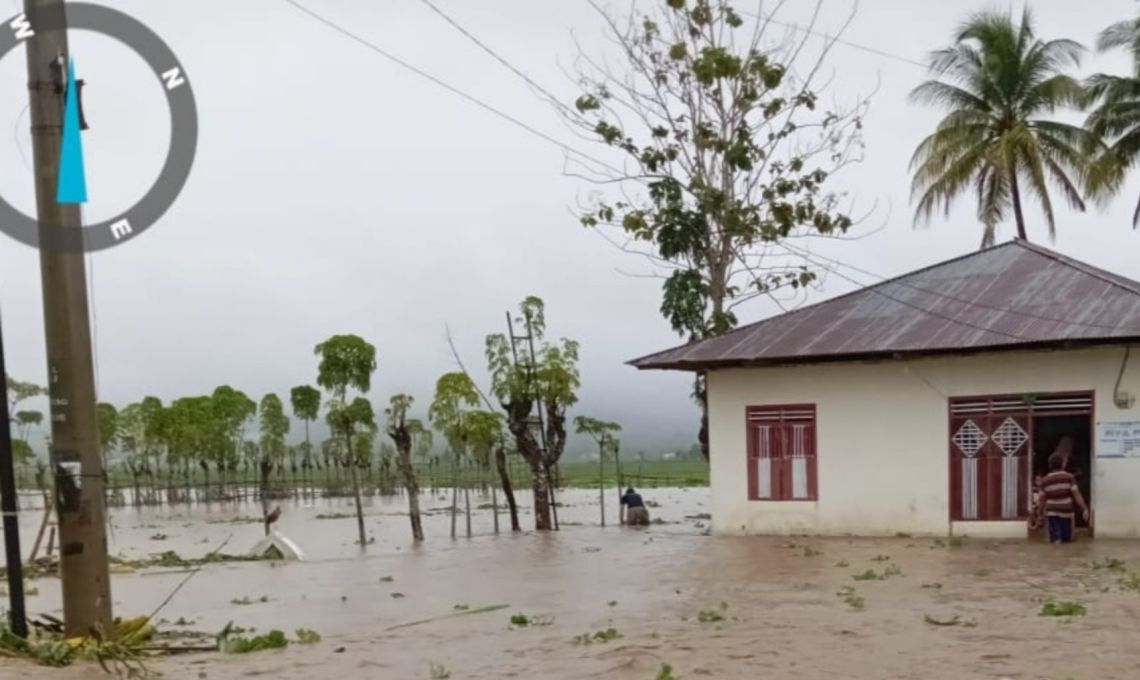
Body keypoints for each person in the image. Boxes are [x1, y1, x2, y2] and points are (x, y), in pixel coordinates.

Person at [1041, 453, 1090, 544]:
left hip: (1052, 511)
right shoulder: (1069, 477)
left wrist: (1040, 513)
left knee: (1055, 539)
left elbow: (1042, 499)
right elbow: (1076, 494)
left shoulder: (1045, 480)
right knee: (1066, 540)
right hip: (1066, 511)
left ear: (1050, 466)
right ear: (1063, 464)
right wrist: (1084, 508)